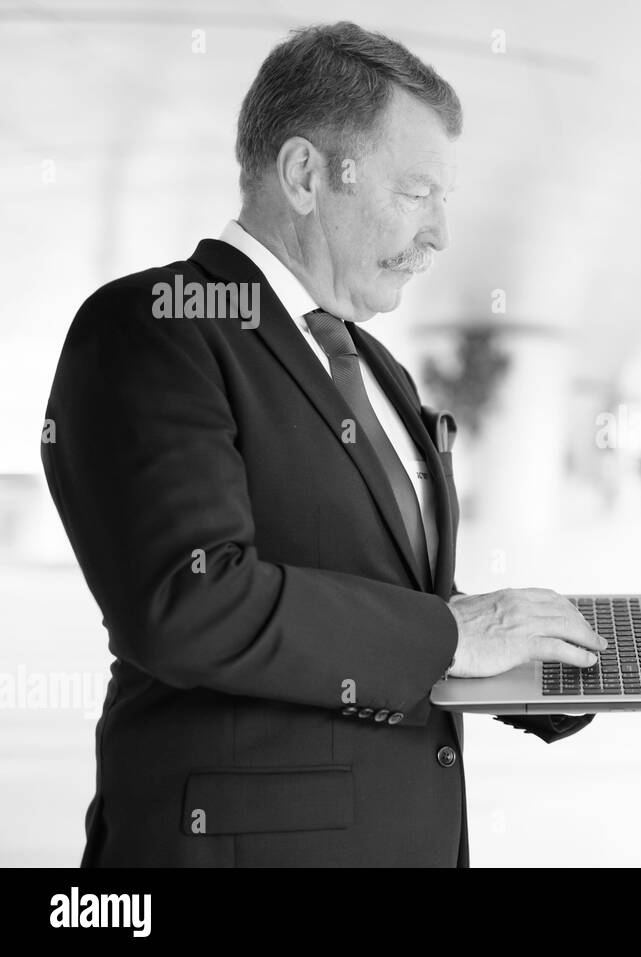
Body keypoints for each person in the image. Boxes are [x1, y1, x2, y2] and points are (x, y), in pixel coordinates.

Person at [40, 21, 600, 867]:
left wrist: (541, 662)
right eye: (417, 193)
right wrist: (455, 635)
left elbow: (392, 593)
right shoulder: (158, 325)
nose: (440, 234)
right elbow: (191, 603)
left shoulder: (372, 363)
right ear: (305, 175)